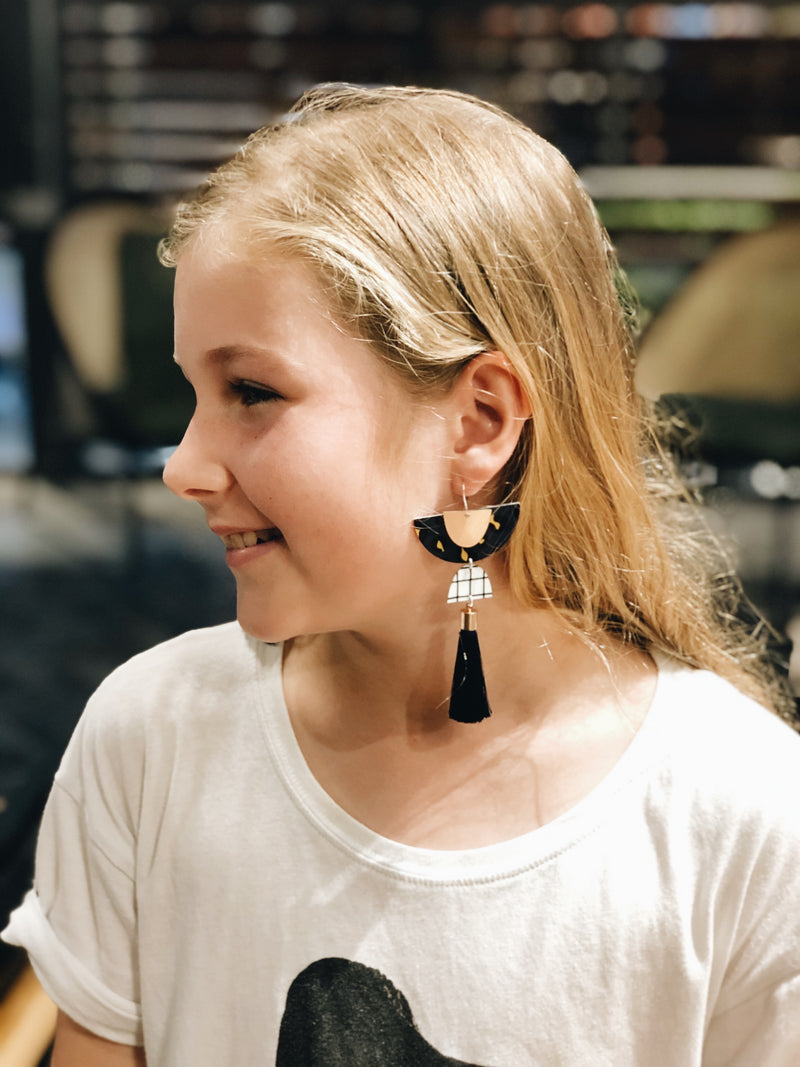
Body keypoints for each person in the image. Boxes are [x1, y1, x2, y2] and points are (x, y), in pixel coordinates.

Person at [4, 84, 799, 1066]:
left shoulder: (743, 817)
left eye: (251, 391)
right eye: (192, 394)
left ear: (478, 420)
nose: (183, 464)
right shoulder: (150, 737)